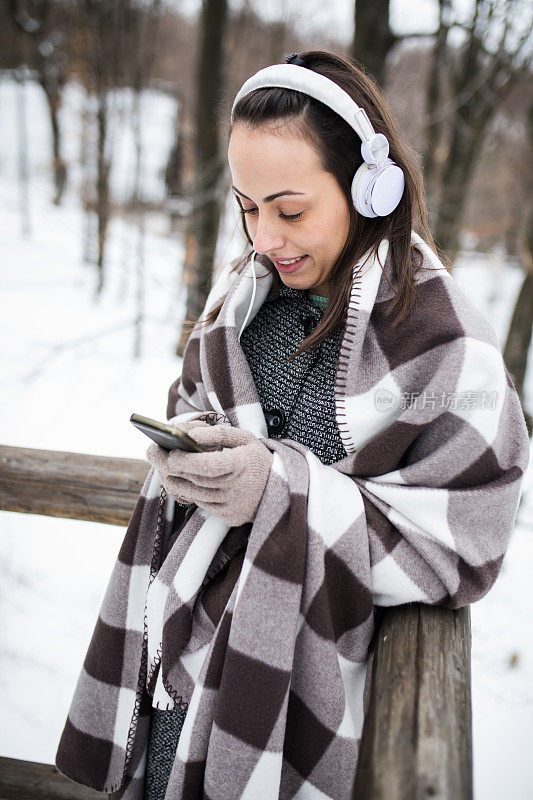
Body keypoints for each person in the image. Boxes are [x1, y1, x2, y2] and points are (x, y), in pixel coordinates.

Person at [55, 51, 530, 800]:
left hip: (296, 696)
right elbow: (197, 398)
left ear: (369, 189)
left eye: (290, 209)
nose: (264, 238)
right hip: (181, 674)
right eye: (247, 206)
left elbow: (463, 541)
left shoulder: (445, 346)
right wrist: (193, 456)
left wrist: (275, 489)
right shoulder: (244, 297)